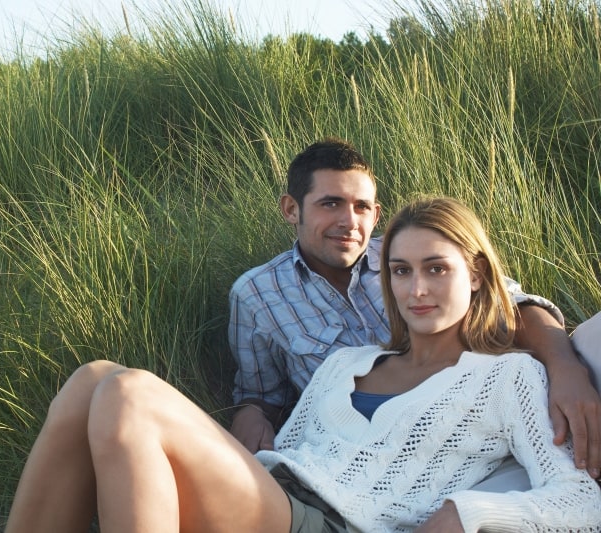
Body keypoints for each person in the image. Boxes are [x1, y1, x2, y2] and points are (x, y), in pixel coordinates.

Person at [5, 197, 601, 532]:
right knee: (93, 379)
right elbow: (283, 458)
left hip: (333, 523)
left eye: (436, 268)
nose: (417, 288)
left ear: (474, 273)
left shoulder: (508, 376)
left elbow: (581, 502)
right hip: (271, 492)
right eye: (400, 270)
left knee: (130, 393)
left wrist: (464, 513)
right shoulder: (346, 363)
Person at [228, 138, 601, 484]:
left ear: (376, 215)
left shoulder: (409, 250)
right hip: (376, 456)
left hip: (477, 422)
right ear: (291, 209)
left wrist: (567, 368)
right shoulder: (257, 295)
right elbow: (263, 393)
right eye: (331, 204)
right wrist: (250, 411)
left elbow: (513, 304)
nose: (348, 221)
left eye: (361, 207)